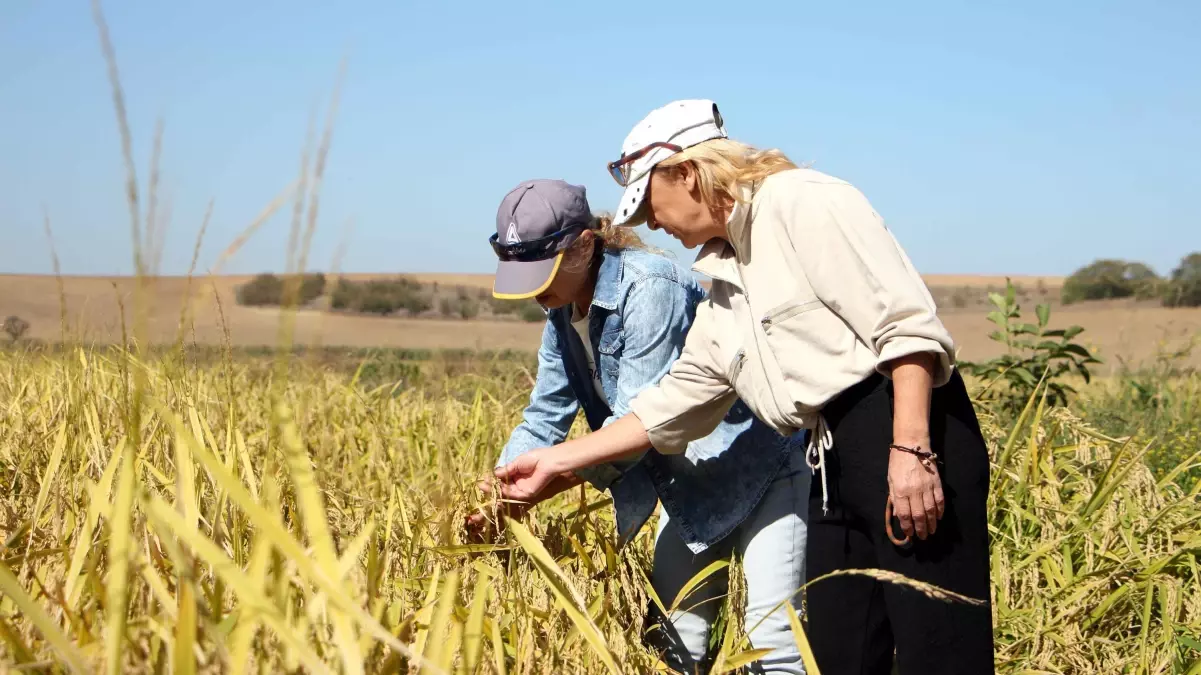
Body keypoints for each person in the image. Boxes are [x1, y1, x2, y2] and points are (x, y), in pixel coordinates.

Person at [493, 101, 996, 674]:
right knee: (840, 654)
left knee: (939, 651)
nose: (651, 225)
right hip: (828, 456)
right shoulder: (727, 275)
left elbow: (906, 331)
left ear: (687, 172)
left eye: (650, 206)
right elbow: (672, 405)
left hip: (904, 430)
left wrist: (910, 450)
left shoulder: (804, 201)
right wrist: (550, 462)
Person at [472, 178, 810, 674]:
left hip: (764, 467)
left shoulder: (650, 287)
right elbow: (545, 415)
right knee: (672, 646)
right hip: (689, 485)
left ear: (584, 246)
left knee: (773, 642)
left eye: (542, 274)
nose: (537, 294)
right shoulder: (562, 314)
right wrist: (495, 492)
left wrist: (535, 488)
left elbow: (637, 427)